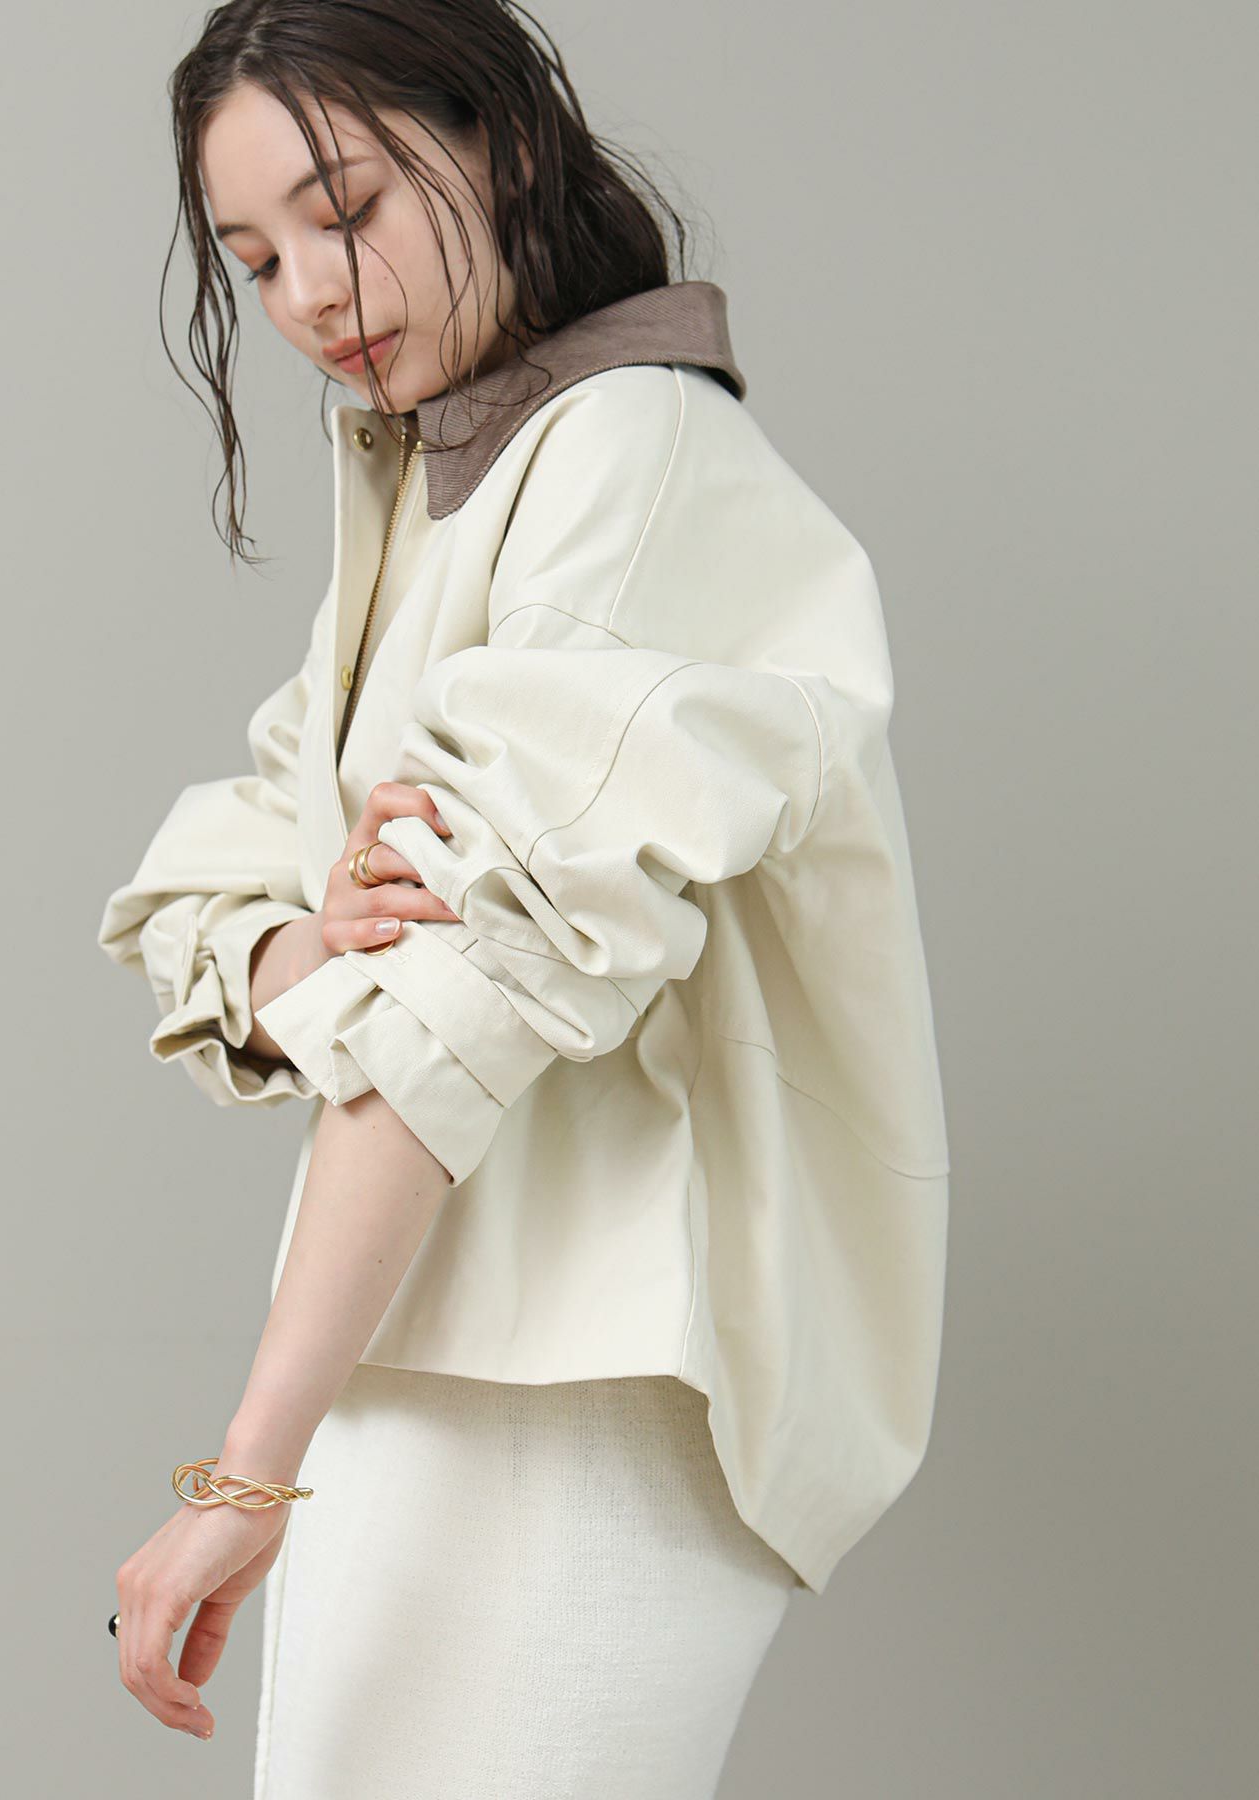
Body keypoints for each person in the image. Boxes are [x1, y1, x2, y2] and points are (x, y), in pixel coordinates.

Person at [95, 2, 951, 1793]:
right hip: (418, 1348)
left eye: (343, 209)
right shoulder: (448, 489)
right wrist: (295, 940)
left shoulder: (632, 455)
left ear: (508, 145)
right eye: (254, 260)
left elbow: (458, 998)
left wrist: (248, 1465)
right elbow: (224, 863)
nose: (306, 296)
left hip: (596, 1371)